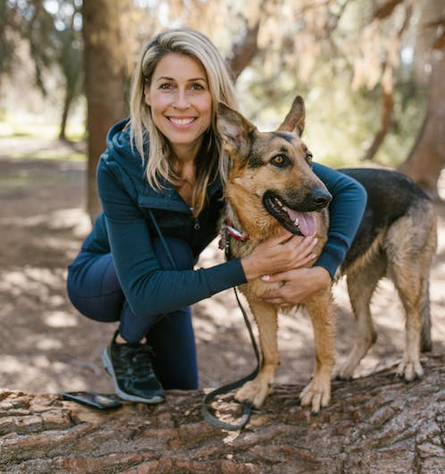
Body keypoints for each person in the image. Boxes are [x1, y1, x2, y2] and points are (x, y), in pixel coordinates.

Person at [67, 28, 367, 404]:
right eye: (166, 86)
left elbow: (351, 191)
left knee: (182, 397)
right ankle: (126, 346)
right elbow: (143, 292)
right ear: (146, 93)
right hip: (107, 282)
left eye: (196, 87)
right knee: (173, 252)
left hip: (172, 288)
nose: (181, 103)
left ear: (215, 96)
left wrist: (324, 269)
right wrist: (250, 267)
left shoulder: (238, 151)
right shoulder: (119, 164)